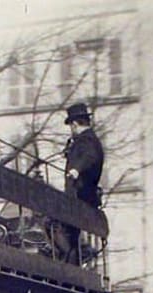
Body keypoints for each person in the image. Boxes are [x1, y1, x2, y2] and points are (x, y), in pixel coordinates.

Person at [57, 102, 106, 263]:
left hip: (80, 195)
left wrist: (76, 169)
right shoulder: (86, 140)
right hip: (81, 196)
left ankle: (69, 261)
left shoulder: (87, 140)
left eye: (71, 126)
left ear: (75, 124)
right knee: (70, 234)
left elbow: (90, 157)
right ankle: (73, 256)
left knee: (65, 231)